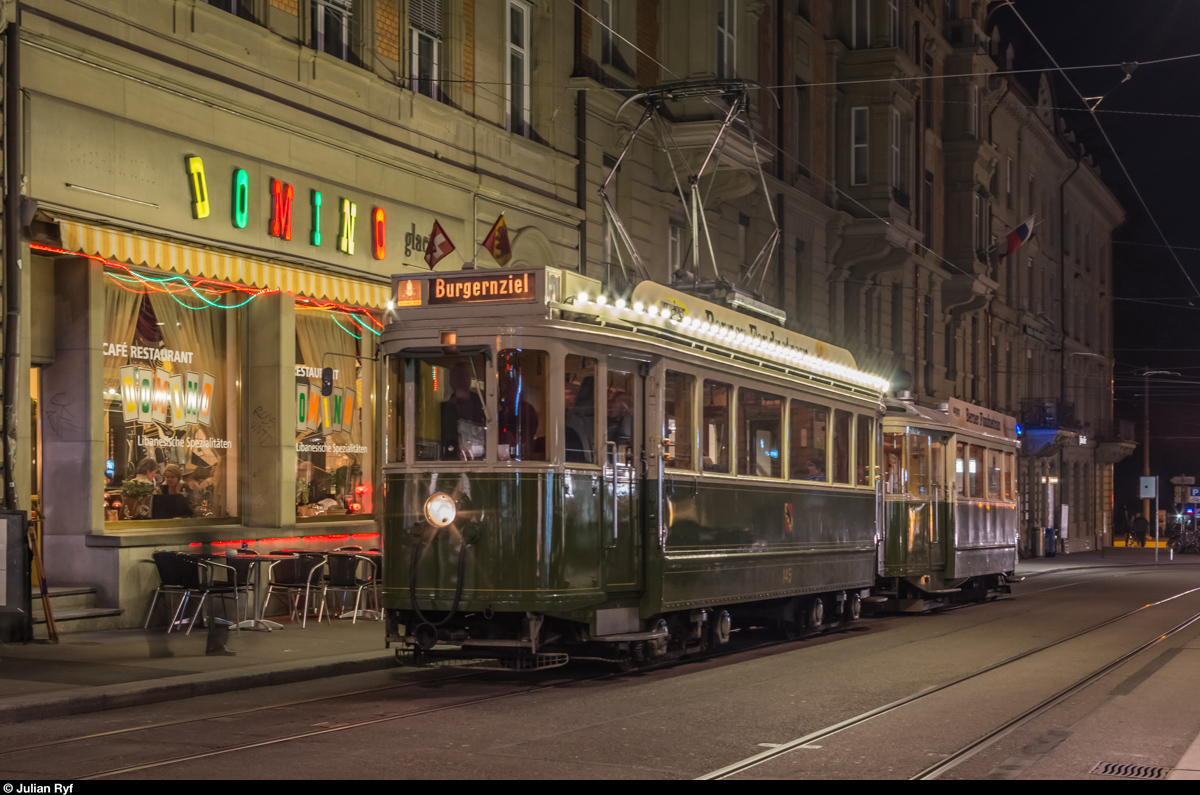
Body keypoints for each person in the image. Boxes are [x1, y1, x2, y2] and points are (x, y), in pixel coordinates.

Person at [441, 362, 486, 460]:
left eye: (465, 376)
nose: (463, 380)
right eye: (459, 377)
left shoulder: (481, 402)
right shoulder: (446, 409)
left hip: (480, 457)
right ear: (451, 381)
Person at [565, 376, 595, 464]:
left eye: (570, 393)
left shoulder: (581, 417)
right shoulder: (563, 417)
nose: (567, 398)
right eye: (564, 394)